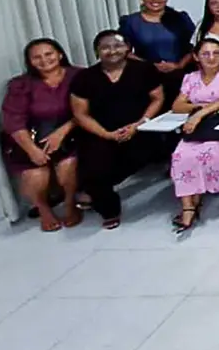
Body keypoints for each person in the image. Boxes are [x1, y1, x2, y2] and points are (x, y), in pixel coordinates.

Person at [69, 30, 166, 229]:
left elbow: (157, 98)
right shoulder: (84, 78)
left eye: (118, 45)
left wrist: (139, 124)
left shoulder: (143, 69)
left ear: (127, 48)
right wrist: (107, 134)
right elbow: (80, 114)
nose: (112, 51)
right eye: (105, 47)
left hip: (139, 128)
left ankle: (94, 190)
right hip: (100, 132)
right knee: (95, 167)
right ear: (97, 51)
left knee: (143, 153)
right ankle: (109, 210)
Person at [168, 38, 219, 234]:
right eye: (205, 54)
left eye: (216, 53)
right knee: (181, 155)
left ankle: (199, 196)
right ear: (196, 57)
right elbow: (177, 105)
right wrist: (200, 108)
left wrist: (198, 114)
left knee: (212, 153)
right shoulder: (190, 78)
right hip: (200, 124)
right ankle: (188, 207)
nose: (211, 58)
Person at [1, 38, 82, 232]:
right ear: (29, 61)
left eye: (49, 54)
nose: (44, 60)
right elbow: (13, 120)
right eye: (36, 57)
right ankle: (43, 209)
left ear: (59, 54)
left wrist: (62, 132)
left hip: (71, 132)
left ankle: (70, 204)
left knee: (68, 167)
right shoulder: (21, 85)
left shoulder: (79, 76)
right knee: (35, 175)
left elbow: (89, 110)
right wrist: (32, 150)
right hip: (31, 136)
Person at [118, 0, 195, 102]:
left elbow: (196, 46)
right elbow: (123, 51)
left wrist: (179, 65)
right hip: (146, 75)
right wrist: (150, 65)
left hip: (181, 74)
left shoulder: (180, 18)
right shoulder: (130, 21)